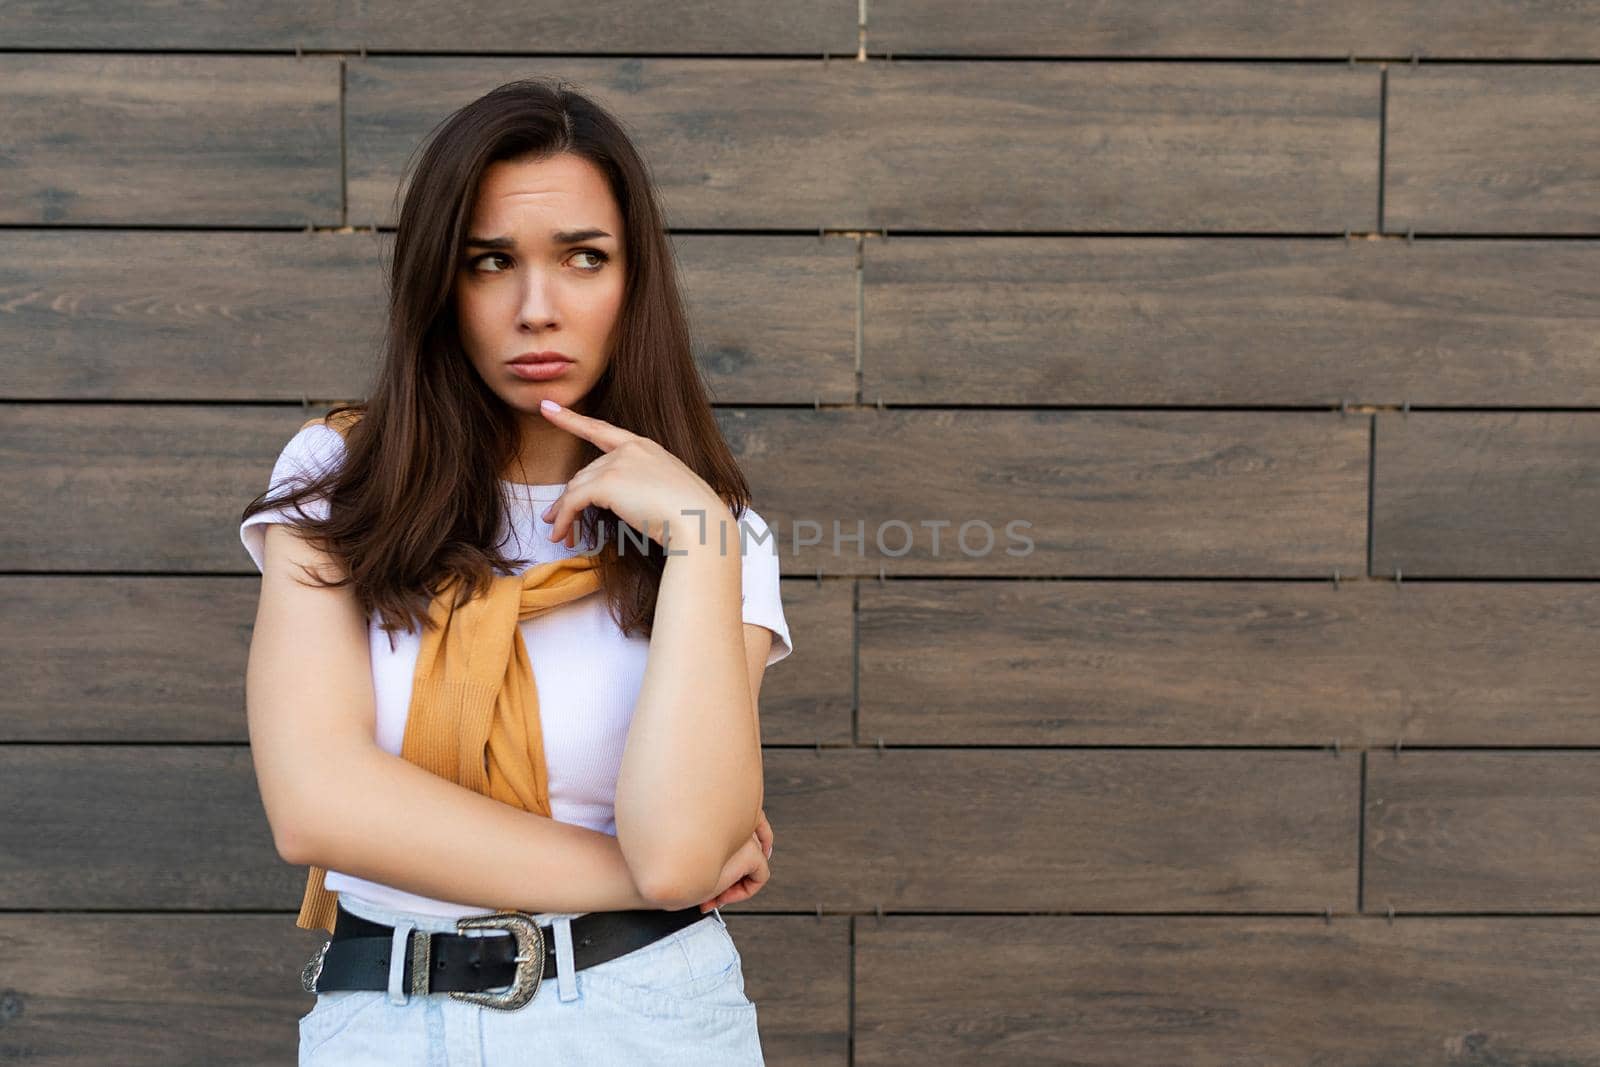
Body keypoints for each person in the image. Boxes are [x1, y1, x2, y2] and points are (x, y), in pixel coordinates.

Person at [238, 76, 791, 1065]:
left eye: (584, 257)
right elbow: (316, 802)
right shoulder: (340, 475)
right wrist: (643, 878)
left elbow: (678, 845)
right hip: (384, 1019)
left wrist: (699, 540)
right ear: (439, 287)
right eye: (490, 262)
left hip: (647, 1018)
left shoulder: (713, 530)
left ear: (636, 280)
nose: (538, 309)